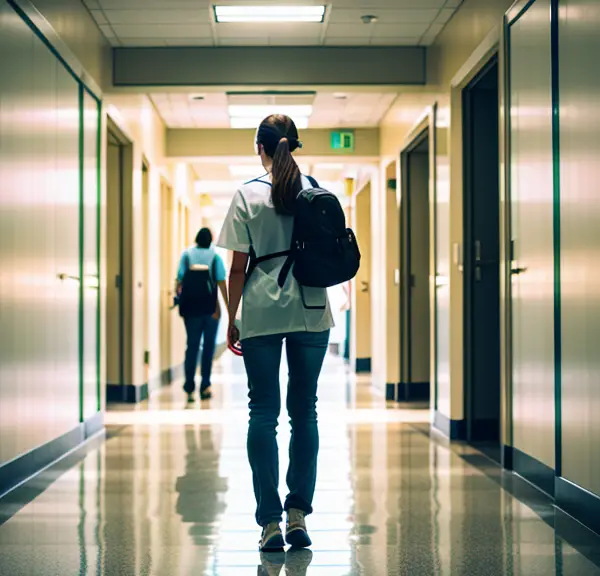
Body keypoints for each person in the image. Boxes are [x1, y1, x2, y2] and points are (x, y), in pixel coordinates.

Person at [218, 115, 333, 551]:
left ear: (259, 149)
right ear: (294, 147)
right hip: (311, 308)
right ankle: (298, 514)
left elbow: (236, 267)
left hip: (263, 311)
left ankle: (268, 522)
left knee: (263, 414)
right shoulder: (316, 190)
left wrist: (232, 318)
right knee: (305, 410)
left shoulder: (247, 194)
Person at [176, 227, 228, 402]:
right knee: (208, 348)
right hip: (210, 309)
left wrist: (179, 300)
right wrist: (226, 307)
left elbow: (179, 279)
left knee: (192, 346)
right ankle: (205, 385)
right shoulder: (215, 257)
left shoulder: (187, 255)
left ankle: (189, 384)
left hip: (191, 310)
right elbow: (221, 282)